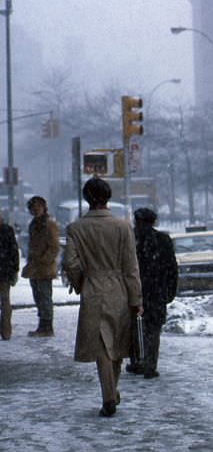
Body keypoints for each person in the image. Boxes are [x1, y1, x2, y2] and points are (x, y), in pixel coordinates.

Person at [62, 177, 143, 417]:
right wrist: (136, 299)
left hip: (93, 288)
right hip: (119, 288)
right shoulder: (122, 227)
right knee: (116, 343)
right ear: (108, 197)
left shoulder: (76, 228)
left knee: (102, 346)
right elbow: (131, 266)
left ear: (86, 199)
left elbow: (70, 263)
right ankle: (112, 390)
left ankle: (108, 395)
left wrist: (80, 283)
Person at [126, 207, 178, 379]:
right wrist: (170, 290)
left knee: (133, 327)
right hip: (156, 290)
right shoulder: (162, 240)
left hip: (134, 289)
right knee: (153, 330)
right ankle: (150, 364)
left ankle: (136, 361)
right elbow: (172, 268)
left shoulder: (130, 239)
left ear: (136, 221)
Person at [22, 196, 59, 337]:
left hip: (44, 268)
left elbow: (54, 247)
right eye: (33, 208)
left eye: (38, 207)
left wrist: (43, 260)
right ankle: (42, 326)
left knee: (45, 298)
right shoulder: (33, 224)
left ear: (44, 208)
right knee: (38, 298)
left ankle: (47, 327)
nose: (36, 210)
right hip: (34, 268)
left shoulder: (49, 224)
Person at [0, 212, 19, 340]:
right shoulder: (7, 230)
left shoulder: (7, 231)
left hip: (4, 271)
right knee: (5, 301)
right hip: (5, 271)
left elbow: (13, 251)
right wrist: (14, 269)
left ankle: (6, 330)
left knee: (5, 302)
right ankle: (6, 331)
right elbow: (14, 251)